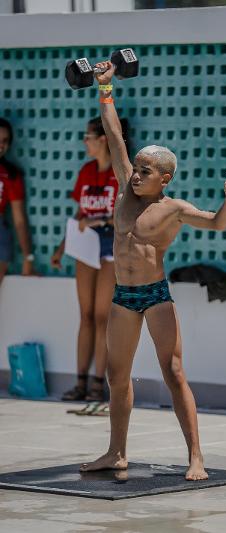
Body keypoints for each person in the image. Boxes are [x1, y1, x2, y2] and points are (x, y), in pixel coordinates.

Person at [79, 63, 226, 481]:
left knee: (173, 372)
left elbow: (217, 224)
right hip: (122, 297)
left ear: (164, 178)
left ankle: (196, 456)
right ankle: (116, 453)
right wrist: (106, 87)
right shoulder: (123, 187)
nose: (135, 174)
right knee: (117, 377)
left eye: (145, 171)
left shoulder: (174, 209)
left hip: (154, 296)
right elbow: (114, 134)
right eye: (135, 168)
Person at [51, 116, 128, 402]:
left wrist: (101, 221)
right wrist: (62, 248)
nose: (85, 142)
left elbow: (126, 214)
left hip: (109, 242)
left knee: (101, 315)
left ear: (103, 140)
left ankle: (99, 383)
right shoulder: (86, 171)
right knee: (84, 315)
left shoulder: (119, 173)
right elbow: (82, 214)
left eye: (88, 137)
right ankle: (80, 381)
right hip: (84, 243)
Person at [0, 118, 36, 286]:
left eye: (5, 141)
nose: (1, 145)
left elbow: (19, 220)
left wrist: (28, 257)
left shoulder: (11, 175)